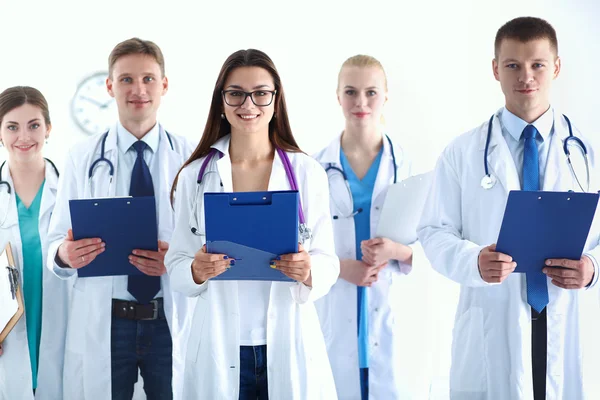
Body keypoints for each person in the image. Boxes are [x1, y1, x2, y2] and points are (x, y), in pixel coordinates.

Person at [417, 16, 600, 399]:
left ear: (557, 68)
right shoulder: (462, 153)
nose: (526, 77)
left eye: (538, 65)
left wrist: (592, 269)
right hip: (493, 318)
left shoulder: (588, 152)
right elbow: (433, 231)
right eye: (513, 65)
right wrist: (473, 262)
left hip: (563, 314)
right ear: (495, 69)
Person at [165, 48, 339, 399]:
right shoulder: (194, 176)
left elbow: (328, 260)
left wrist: (308, 270)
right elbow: (177, 263)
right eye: (236, 94)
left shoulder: (306, 172)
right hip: (218, 342)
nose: (249, 105)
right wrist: (196, 270)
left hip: (287, 341)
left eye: (261, 93)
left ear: (276, 100)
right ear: (221, 102)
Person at [45, 38, 195, 400]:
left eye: (148, 79)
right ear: (110, 86)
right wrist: (66, 254)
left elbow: (210, 243)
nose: (138, 89)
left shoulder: (191, 159)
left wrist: (175, 259)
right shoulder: (82, 157)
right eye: (126, 79)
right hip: (108, 321)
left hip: (168, 318)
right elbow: (54, 244)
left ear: (164, 85)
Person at [313, 54, 432, 399]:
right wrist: (339, 267)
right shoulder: (315, 169)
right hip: (336, 316)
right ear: (338, 96)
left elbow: (435, 241)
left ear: (386, 96)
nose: (361, 102)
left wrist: (399, 252)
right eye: (350, 92)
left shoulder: (408, 166)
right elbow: (298, 247)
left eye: (371, 92)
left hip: (393, 316)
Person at [0, 86, 69, 400]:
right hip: (7, 329)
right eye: (12, 126)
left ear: (49, 129)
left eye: (34, 125)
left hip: (61, 318)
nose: (23, 136)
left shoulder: (70, 189)